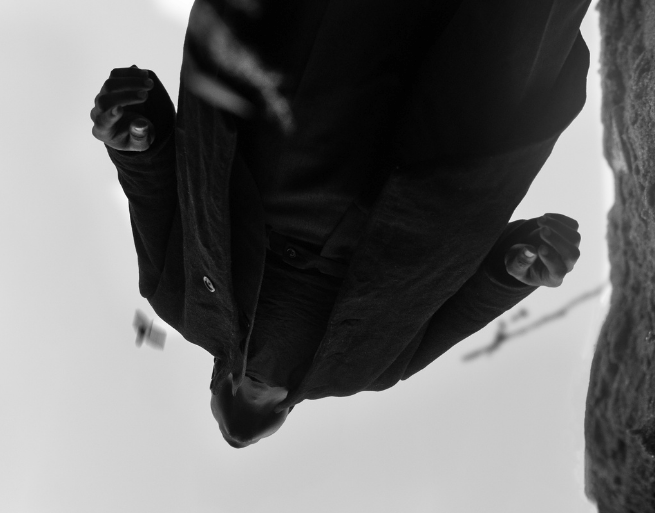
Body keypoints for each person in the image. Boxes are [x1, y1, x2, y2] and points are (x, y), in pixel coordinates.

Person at [92, 0, 592, 446]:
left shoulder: (180, 304)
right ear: (286, 412)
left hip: (291, 148)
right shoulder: (370, 372)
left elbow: (151, 190)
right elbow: (469, 305)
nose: (251, 404)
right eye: (263, 414)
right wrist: (519, 269)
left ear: (218, 380)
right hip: (437, 196)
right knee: (514, 33)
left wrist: (132, 136)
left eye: (233, 406)